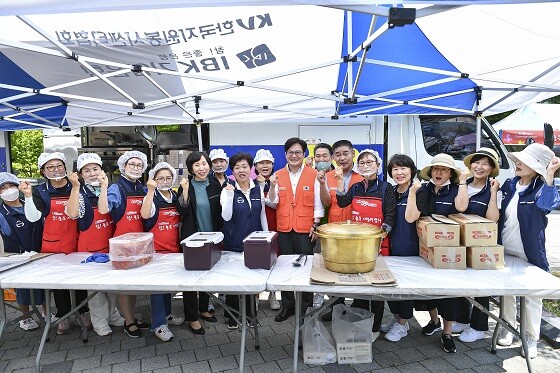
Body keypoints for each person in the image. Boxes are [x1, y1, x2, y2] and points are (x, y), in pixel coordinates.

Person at [496, 143, 560, 358]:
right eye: (519, 160)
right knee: (507, 292)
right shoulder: (509, 185)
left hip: (529, 252)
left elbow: (547, 205)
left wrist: (550, 175)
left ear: (537, 168)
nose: (518, 163)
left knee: (532, 295)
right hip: (505, 249)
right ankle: (508, 326)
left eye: (526, 161)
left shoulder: (542, 188)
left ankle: (530, 337)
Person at [20, 152, 91, 335]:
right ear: (43, 171)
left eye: (59, 166)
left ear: (65, 168)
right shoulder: (40, 191)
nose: (56, 170)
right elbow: (34, 217)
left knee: (79, 280)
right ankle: (64, 314)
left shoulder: (76, 185)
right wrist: (28, 197)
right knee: (59, 282)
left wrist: (76, 187)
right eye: (50, 167)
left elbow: (77, 214)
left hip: (76, 240)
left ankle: (82, 311)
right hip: (52, 243)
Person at [406, 153, 468, 353]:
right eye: (436, 169)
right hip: (426, 247)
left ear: (450, 173)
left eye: (444, 169)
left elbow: (461, 208)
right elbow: (415, 216)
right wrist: (414, 193)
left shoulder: (457, 190)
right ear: (431, 172)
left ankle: (447, 332)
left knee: (449, 292)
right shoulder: (424, 190)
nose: (439, 172)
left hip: (450, 250)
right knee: (428, 290)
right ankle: (434, 320)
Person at [335, 149, 396, 342]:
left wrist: (379, 238)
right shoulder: (356, 187)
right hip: (357, 245)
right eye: (362, 163)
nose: (366, 165)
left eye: (370, 162)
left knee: (376, 289)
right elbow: (342, 201)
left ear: (378, 166)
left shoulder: (386, 188)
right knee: (361, 287)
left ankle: (375, 328)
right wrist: (339, 179)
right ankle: (361, 324)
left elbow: (390, 216)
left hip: (378, 244)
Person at [65, 153, 125, 336]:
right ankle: (99, 322)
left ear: (102, 170)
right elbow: (72, 214)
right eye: (87, 170)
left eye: (95, 169)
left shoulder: (111, 189)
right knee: (96, 289)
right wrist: (75, 188)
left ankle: (113, 314)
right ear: (81, 175)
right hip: (90, 245)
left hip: (110, 242)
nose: (92, 173)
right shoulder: (79, 192)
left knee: (113, 285)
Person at [267, 137, 324, 322]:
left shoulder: (313, 174)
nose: (294, 155)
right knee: (285, 269)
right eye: (290, 152)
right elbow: (273, 202)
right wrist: (273, 186)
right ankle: (287, 306)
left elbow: (318, 203)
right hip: (284, 228)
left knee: (305, 267)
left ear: (304, 154)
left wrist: (315, 224)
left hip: (305, 228)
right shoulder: (277, 175)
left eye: (298, 152)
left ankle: (304, 306)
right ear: (285, 154)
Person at [452, 148, 501, 343]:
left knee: (481, 287)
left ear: (491, 169)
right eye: (476, 162)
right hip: (460, 242)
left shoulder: (494, 188)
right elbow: (460, 208)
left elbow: (493, 219)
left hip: (483, 244)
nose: (479, 167)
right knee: (461, 283)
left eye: (485, 164)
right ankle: (464, 319)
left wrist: (493, 194)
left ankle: (479, 326)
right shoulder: (461, 184)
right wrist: (463, 182)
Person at [175, 151, 222, 335]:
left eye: (204, 164)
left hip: (212, 238)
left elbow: (221, 210)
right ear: (191, 169)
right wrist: (185, 191)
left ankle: (204, 308)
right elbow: (182, 210)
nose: (202, 168)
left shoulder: (214, 185)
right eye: (197, 165)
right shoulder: (186, 185)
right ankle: (192, 317)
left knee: (207, 276)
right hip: (193, 239)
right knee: (191, 279)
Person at [220, 152, 268, 329]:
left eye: (244, 166)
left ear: (251, 168)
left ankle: (250, 314)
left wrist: (266, 236)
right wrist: (231, 195)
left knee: (250, 278)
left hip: (255, 242)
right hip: (234, 241)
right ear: (232, 171)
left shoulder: (257, 188)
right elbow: (226, 216)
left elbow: (262, 213)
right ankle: (232, 315)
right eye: (237, 167)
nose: (241, 170)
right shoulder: (227, 188)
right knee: (233, 279)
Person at [107, 150, 151, 338]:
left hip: (140, 240)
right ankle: (128, 321)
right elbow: (107, 207)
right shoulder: (116, 188)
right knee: (125, 285)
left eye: (139, 165)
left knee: (134, 283)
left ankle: (130, 316)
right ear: (123, 166)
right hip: (123, 242)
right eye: (132, 164)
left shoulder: (142, 188)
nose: (135, 168)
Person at [318, 140, 363, 322]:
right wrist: (322, 184)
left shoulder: (363, 176)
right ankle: (337, 307)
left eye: (345, 153)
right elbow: (327, 202)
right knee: (335, 268)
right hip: (335, 225)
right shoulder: (328, 176)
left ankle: (359, 307)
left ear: (353, 153)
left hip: (357, 226)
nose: (342, 158)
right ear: (333, 157)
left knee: (358, 266)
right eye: (338, 155)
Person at [140, 162, 185, 341]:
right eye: (160, 178)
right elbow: (144, 214)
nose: (165, 181)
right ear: (154, 180)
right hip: (156, 250)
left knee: (167, 286)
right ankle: (158, 324)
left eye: (168, 178)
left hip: (172, 249)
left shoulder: (174, 195)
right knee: (157, 288)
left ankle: (166, 314)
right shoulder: (150, 196)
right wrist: (150, 191)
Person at [380, 154, 419, 342]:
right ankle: (397, 319)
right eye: (395, 169)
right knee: (391, 287)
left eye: (403, 168)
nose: (399, 172)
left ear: (411, 170)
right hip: (391, 246)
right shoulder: (391, 191)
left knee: (406, 287)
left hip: (410, 246)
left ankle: (403, 324)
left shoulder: (418, 190)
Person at [0, 172, 46, 331]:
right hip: (17, 255)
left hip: (40, 251)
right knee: (23, 287)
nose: (8, 190)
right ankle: (25, 317)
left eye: (11, 186)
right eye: (3, 188)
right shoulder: (1, 213)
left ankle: (46, 312)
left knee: (44, 284)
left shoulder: (30, 202)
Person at [253, 149, 280, 311]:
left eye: (268, 163)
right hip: (257, 226)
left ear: (272, 165)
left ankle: (273, 295)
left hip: (275, 225)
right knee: (257, 261)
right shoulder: (250, 183)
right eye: (261, 163)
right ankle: (255, 295)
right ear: (255, 166)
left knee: (275, 260)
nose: (265, 166)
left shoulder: (277, 181)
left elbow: (275, 203)